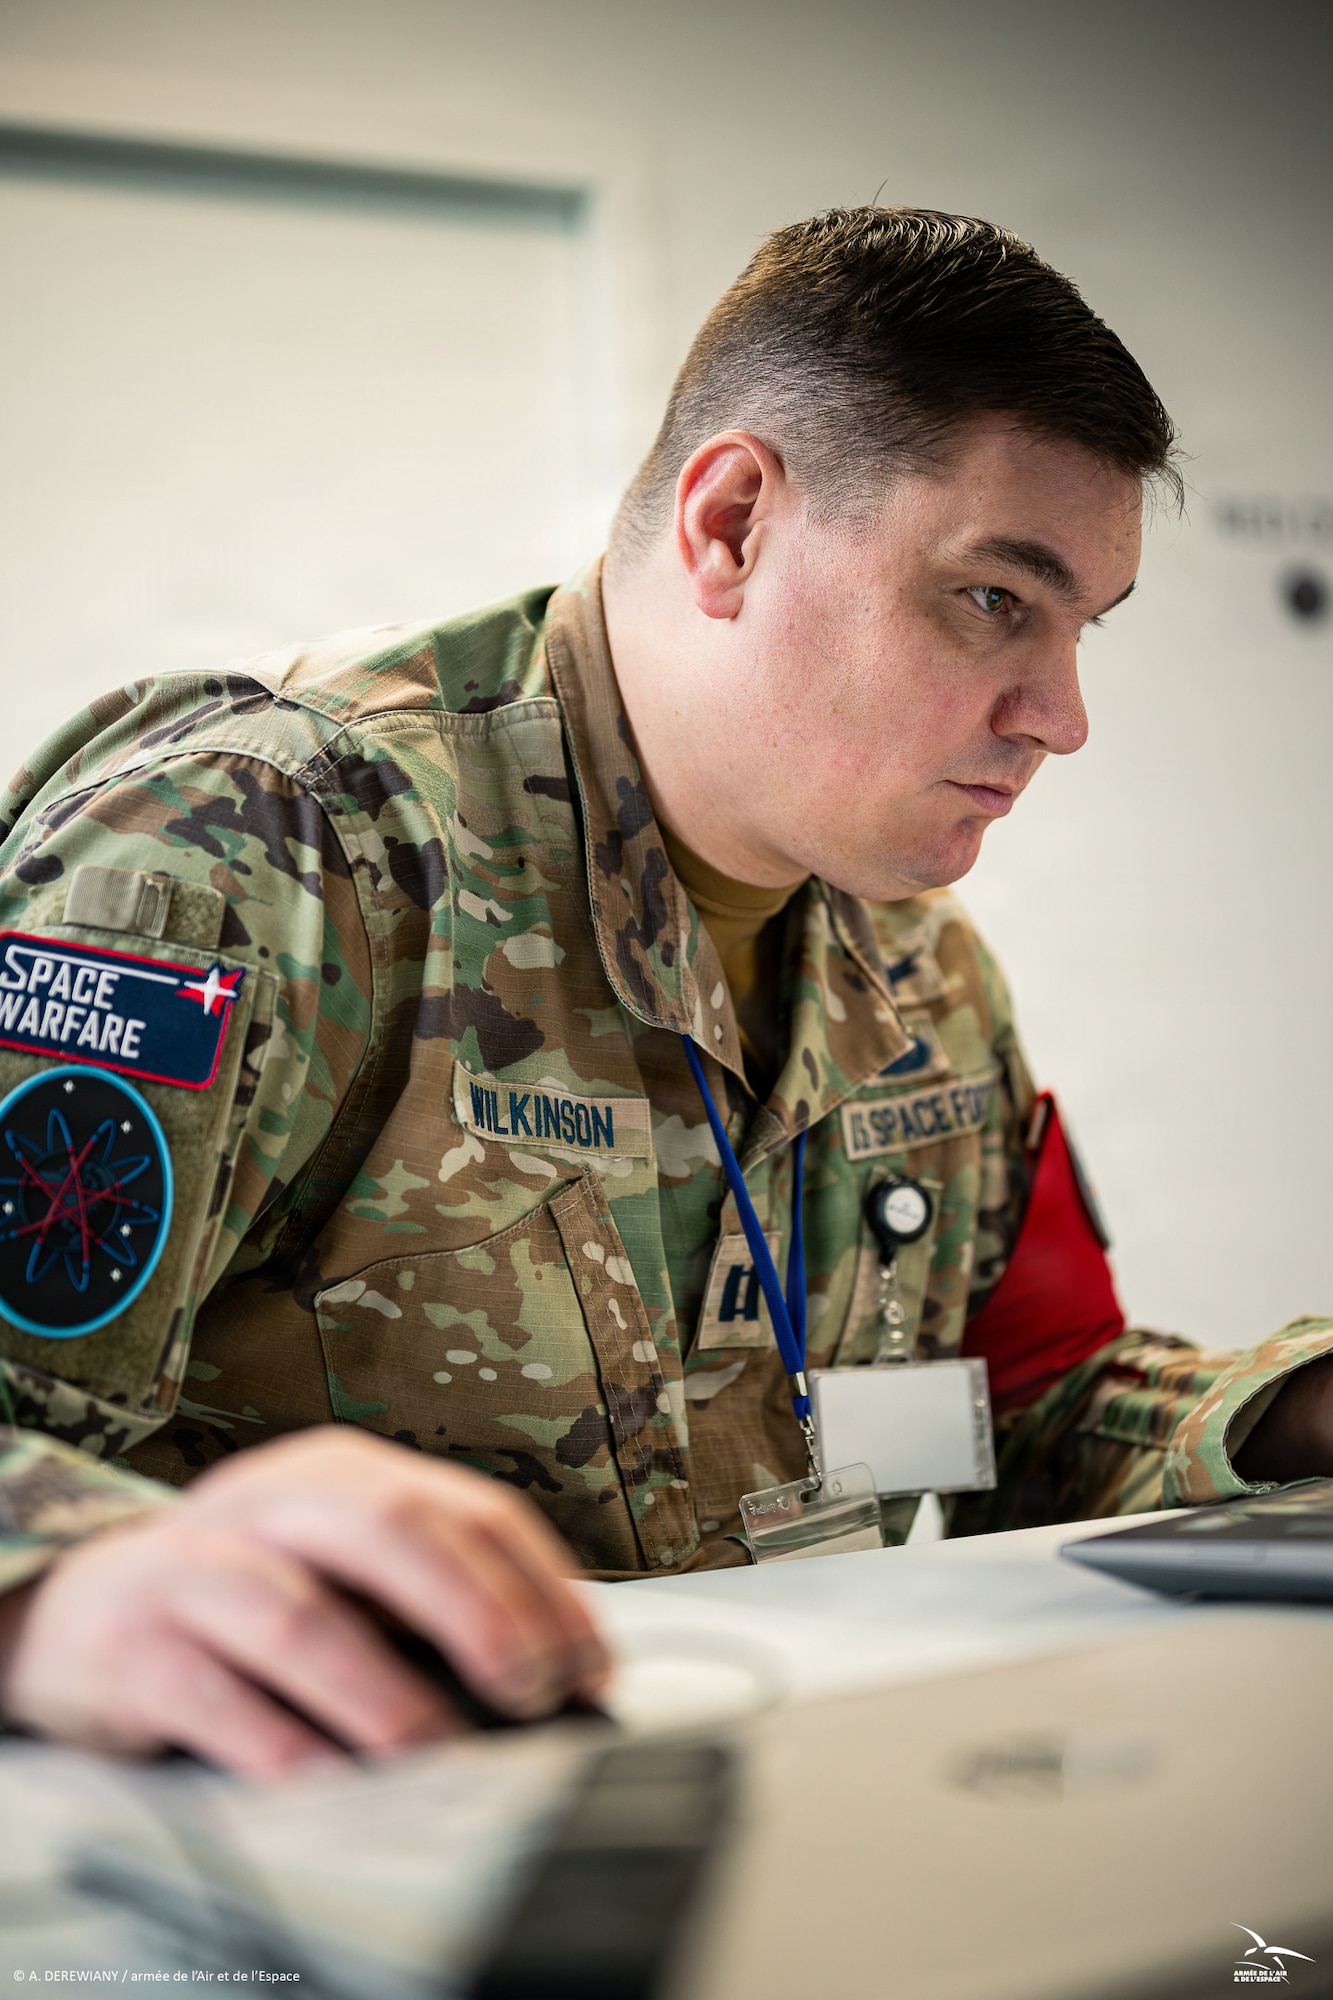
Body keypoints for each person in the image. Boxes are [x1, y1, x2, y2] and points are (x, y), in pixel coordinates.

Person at [1, 207, 1330, 1775]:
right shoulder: (274, 850)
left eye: (1079, 629)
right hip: (329, 1842)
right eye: (992, 599)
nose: (1059, 715)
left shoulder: (916, 957)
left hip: (781, 1806)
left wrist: (1296, 1414)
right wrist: (58, 1581)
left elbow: (1021, 1404)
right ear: (732, 526)